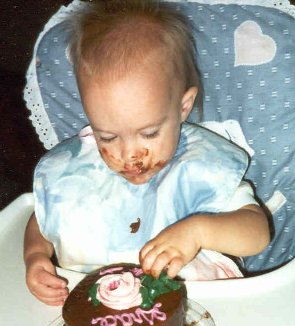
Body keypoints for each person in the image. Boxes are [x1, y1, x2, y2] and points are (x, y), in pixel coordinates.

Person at [24, 0, 270, 306]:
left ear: (183, 107)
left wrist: (198, 231)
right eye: (108, 136)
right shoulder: (76, 169)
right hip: (98, 314)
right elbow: (45, 217)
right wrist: (36, 256)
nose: (130, 154)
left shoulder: (199, 166)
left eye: (149, 133)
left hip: (198, 310)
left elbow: (257, 232)